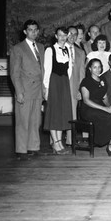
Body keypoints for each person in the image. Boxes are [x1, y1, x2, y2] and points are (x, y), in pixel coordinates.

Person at [9, 19, 45, 160]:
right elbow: (14, 73)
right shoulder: (18, 48)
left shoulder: (41, 47)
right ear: (25, 32)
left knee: (36, 120)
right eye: (30, 30)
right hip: (25, 90)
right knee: (22, 121)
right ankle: (21, 150)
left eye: (35, 30)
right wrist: (19, 92)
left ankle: (33, 147)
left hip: (38, 90)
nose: (33, 32)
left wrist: (44, 89)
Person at [79, 58, 111, 160]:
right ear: (90, 69)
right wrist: (105, 109)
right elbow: (86, 100)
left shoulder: (103, 80)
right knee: (109, 118)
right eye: (94, 67)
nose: (97, 69)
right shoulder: (86, 81)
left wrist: (110, 107)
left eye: (99, 67)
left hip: (101, 107)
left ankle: (110, 144)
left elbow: (105, 98)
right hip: (89, 109)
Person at [43, 27, 73, 155]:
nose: (62, 38)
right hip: (53, 82)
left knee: (62, 113)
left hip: (64, 82)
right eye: (60, 35)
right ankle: (55, 143)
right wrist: (46, 88)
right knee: (54, 112)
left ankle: (60, 142)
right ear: (56, 36)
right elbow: (47, 70)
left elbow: (70, 68)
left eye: (64, 35)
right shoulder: (50, 50)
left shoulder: (67, 50)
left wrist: (66, 82)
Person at [65, 26, 86, 145]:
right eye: (70, 34)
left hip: (74, 86)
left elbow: (82, 73)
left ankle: (70, 139)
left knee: (73, 113)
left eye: (75, 34)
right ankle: (55, 140)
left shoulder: (80, 52)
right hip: (61, 85)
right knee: (58, 112)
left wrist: (80, 90)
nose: (72, 36)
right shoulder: (59, 49)